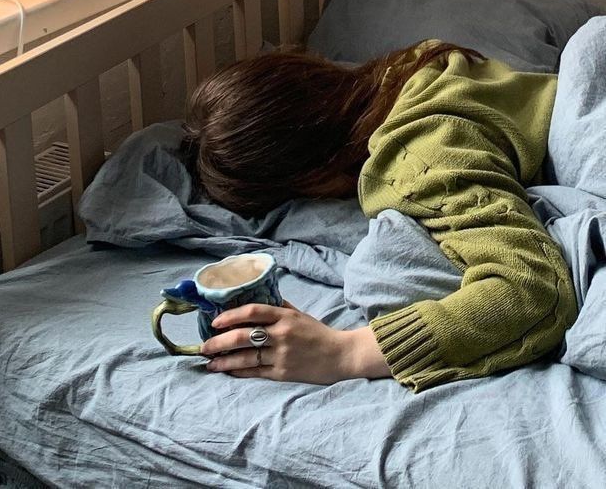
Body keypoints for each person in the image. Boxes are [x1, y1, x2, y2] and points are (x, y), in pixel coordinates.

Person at [183, 40, 578, 392]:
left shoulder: (419, 161)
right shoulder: (416, 66)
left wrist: (345, 353)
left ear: (311, 173)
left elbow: (533, 289)